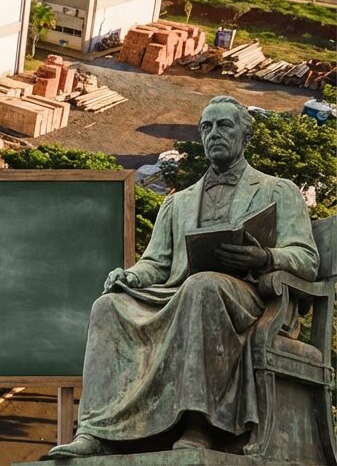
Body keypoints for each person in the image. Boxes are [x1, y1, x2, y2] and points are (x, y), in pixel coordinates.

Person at [48, 96, 319, 458]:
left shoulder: (277, 191)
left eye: (224, 125)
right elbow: (156, 264)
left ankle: (197, 423)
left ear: (245, 135)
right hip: (180, 294)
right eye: (206, 127)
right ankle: (98, 431)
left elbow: (306, 258)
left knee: (201, 285)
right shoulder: (177, 203)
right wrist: (130, 277)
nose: (213, 134)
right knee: (108, 306)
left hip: (247, 297)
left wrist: (265, 256)